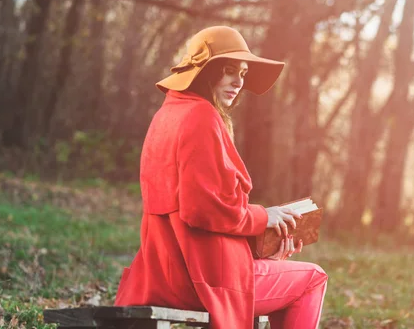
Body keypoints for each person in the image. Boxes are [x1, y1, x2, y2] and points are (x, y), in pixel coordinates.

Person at [114, 26, 328, 329]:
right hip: (204, 280)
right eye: (229, 71)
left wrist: (263, 245)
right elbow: (202, 209)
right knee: (313, 278)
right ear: (205, 71)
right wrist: (263, 217)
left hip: (163, 273)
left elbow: (187, 211)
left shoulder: (166, 116)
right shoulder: (202, 118)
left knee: (283, 270)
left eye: (242, 73)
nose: (238, 82)